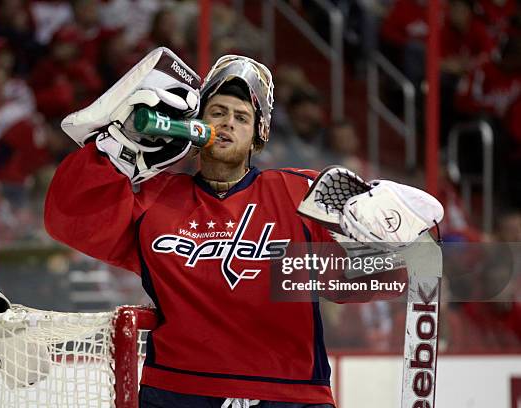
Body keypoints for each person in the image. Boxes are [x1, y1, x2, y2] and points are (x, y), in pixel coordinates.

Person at [45, 49, 442, 407]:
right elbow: (70, 220)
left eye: (241, 117)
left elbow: (354, 282)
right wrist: (117, 148)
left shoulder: (302, 194)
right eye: (216, 113)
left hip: (289, 392)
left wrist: (395, 240)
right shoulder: (154, 199)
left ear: (259, 134)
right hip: (179, 392)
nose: (227, 124)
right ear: (196, 123)